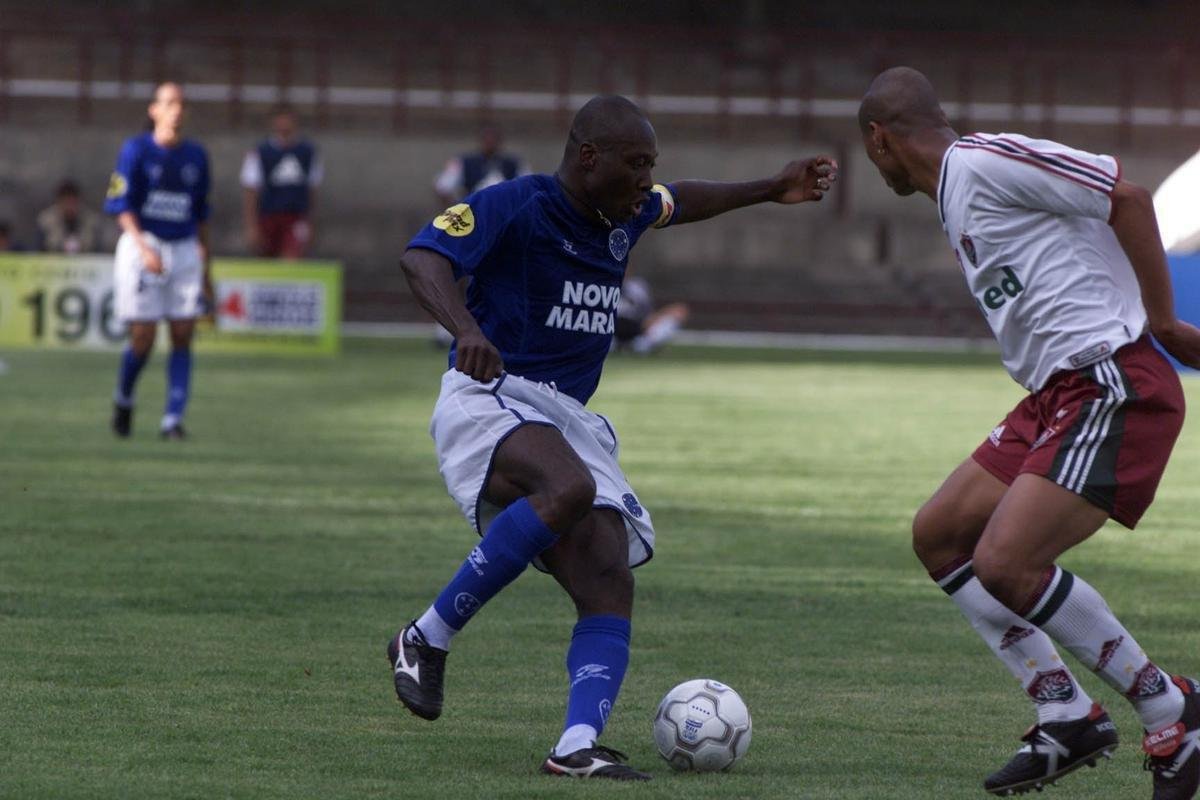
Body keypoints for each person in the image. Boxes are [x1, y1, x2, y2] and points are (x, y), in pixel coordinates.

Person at [392, 94, 836, 780]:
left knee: (609, 580)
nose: (646, 180)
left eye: (650, 166)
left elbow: (684, 199)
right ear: (588, 158)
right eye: (636, 165)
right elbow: (423, 258)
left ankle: (574, 746)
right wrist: (468, 331)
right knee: (569, 486)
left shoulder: (625, 216)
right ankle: (426, 636)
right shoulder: (517, 202)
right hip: (489, 395)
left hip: (565, 416)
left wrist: (772, 188)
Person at [859, 66, 1200, 798]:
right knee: (939, 534)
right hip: (1052, 397)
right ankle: (1065, 708)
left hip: (1111, 381)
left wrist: (1166, 323)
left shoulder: (981, 162)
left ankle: (1172, 710)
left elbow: (1128, 197)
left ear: (878, 141)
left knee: (1005, 563)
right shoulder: (955, 197)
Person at [104, 81, 212, 440]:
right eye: (168, 103)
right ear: (154, 110)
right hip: (143, 243)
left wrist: (206, 267)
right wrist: (142, 247)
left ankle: (172, 420)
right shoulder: (135, 150)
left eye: (180, 103)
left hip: (184, 247)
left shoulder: (197, 156)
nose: (176, 109)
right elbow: (121, 207)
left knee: (183, 332)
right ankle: (124, 398)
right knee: (143, 338)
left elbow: (201, 216)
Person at [240, 106, 322, 258]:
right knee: (266, 259)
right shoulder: (261, 151)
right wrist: (251, 226)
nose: (284, 124)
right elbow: (251, 189)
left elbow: (313, 189)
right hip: (268, 215)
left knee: (292, 258)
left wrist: (311, 222)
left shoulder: (307, 152)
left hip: (295, 216)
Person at [433, 123, 529, 206]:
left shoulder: (514, 164)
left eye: (493, 139)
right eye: (486, 138)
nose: (490, 142)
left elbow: (528, 188)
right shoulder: (464, 162)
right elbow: (442, 187)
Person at [613, 275, 689, 354]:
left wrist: (656, 317)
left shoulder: (637, 286)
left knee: (678, 312)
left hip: (639, 329)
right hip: (611, 328)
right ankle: (618, 345)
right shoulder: (605, 283)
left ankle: (639, 345)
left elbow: (647, 312)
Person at [37, 179, 104, 254]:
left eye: (72, 202)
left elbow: (96, 249)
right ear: (58, 202)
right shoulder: (46, 221)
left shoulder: (91, 221)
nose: (69, 207)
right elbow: (40, 249)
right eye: (65, 202)